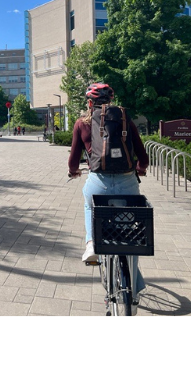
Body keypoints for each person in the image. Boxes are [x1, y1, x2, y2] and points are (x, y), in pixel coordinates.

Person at [68, 82, 149, 298]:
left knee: (89, 206)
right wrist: (140, 169)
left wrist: (73, 171)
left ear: (90, 103)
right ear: (110, 102)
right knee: (127, 235)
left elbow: (73, 160)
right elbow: (143, 156)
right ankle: (134, 288)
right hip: (127, 184)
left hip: (98, 183)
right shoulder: (124, 119)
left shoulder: (81, 123)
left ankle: (92, 243)